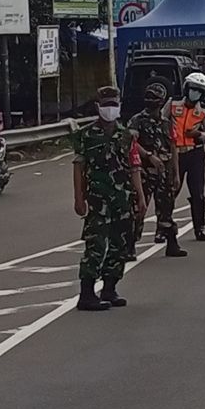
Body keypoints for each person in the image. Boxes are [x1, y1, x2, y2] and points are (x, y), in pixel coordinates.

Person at [73, 87, 145, 311]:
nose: (110, 109)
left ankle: (110, 288)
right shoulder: (85, 135)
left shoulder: (127, 136)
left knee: (120, 245)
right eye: (106, 105)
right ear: (98, 107)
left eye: (114, 105)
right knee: (96, 245)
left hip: (122, 198)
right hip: (97, 199)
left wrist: (140, 197)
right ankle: (86, 294)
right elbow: (79, 167)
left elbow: (134, 167)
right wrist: (78, 198)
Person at [128, 83, 186, 257]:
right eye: (149, 97)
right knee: (139, 208)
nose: (152, 101)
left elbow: (173, 147)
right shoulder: (137, 120)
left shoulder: (167, 123)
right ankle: (130, 246)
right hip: (145, 171)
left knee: (166, 209)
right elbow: (131, 143)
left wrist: (176, 173)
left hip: (164, 172)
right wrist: (148, 156)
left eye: (155, 98)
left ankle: (171, 243)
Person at [170, 72, 205, 241]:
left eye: (199, 91)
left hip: (195, 153)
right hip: (175, 154)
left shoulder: (204, 111)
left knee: (197, 193)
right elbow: (160, 121)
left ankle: (200, 227)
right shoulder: (173, 104)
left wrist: (198, 134)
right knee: (170, 191)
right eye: (193, 89)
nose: (195, 93)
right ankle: (163, 227)